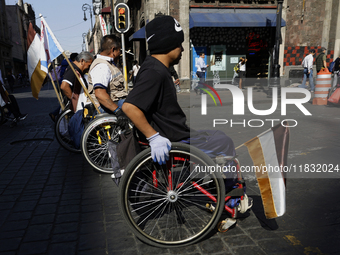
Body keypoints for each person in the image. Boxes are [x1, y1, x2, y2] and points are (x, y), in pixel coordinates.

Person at [87, 34, 128, 127]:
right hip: (106, 106)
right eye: (119, 50)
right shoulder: (102, 67)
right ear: (113, 50)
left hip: (114, 100)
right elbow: (100, 94)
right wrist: (118, 111)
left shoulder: (108, 64)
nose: (120, 53)